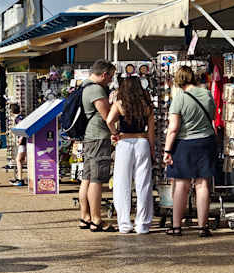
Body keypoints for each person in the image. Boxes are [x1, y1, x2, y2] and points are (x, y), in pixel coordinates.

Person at [163, 65, 218, 237]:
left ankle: (176, 226)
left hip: (185, 144)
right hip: (206, 142)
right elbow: (213, 116)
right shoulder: (207, 94)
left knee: (181, 184)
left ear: (178, 81)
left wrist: (167, 150)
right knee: (203, 184)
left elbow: (173, 128)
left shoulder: (179, 98)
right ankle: (203, 227)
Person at [106, 76, 155, 234]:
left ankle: (124, 223)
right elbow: (151, 131)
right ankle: (142, 224)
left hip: (124, 143)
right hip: (142, 142)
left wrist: (115, 133)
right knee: (143, 184)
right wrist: (152, 149)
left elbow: (109, 121)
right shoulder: (146, 106)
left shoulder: (119, 104)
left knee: (122, 183)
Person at [78, 60, 120, 232]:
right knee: (96, 180)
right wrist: (115, 131)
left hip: (90, 137)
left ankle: (85, 217)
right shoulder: (96, 89)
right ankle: (96, 219)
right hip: (98, 138)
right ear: (104, 74)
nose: (111, 80)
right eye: (111, 76)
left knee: (87, 178)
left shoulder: (85, 86)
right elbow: (107, 116)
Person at [9, 103, 26, 187]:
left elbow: (23, 128)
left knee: (18, 160)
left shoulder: (18, 118)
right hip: (25, 140)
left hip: (23, 141)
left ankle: (20, 179)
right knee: (22, 159)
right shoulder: (22, 117)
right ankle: (20, 178)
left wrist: (21, 138)